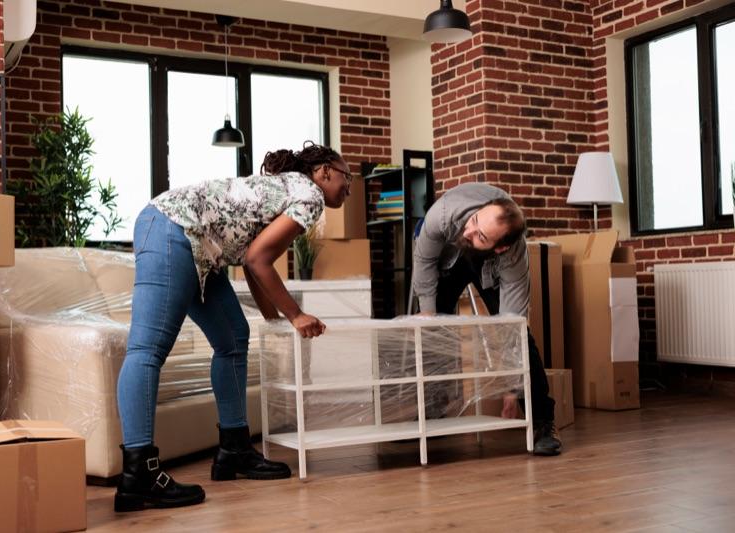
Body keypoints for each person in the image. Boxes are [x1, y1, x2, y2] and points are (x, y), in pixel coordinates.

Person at [115, 141, 352, 512]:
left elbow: (256, 258)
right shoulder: (309, 196)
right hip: (175, 231)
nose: (348, 187)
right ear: (323, 172)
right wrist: (295, 315)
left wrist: (274, 320)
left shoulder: (290, 188)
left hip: (193, 243)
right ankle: (138, 475)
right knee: (147, 350)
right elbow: (259, 261)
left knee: (233, 337)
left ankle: (234, 449)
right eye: (345, 177)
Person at [411, 182, 562, 456]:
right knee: (430, 330)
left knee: (521, 337)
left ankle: (543, 422)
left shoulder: (512, 257)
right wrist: (428, 315)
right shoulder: (445, 214)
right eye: (474, 220)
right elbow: (423, 261)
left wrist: (511, 389)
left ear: (500, 248)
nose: (470, 231)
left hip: (487, 267)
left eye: (480, 235)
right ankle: (430, 412)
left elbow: (511, 327)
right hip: (446, 257)